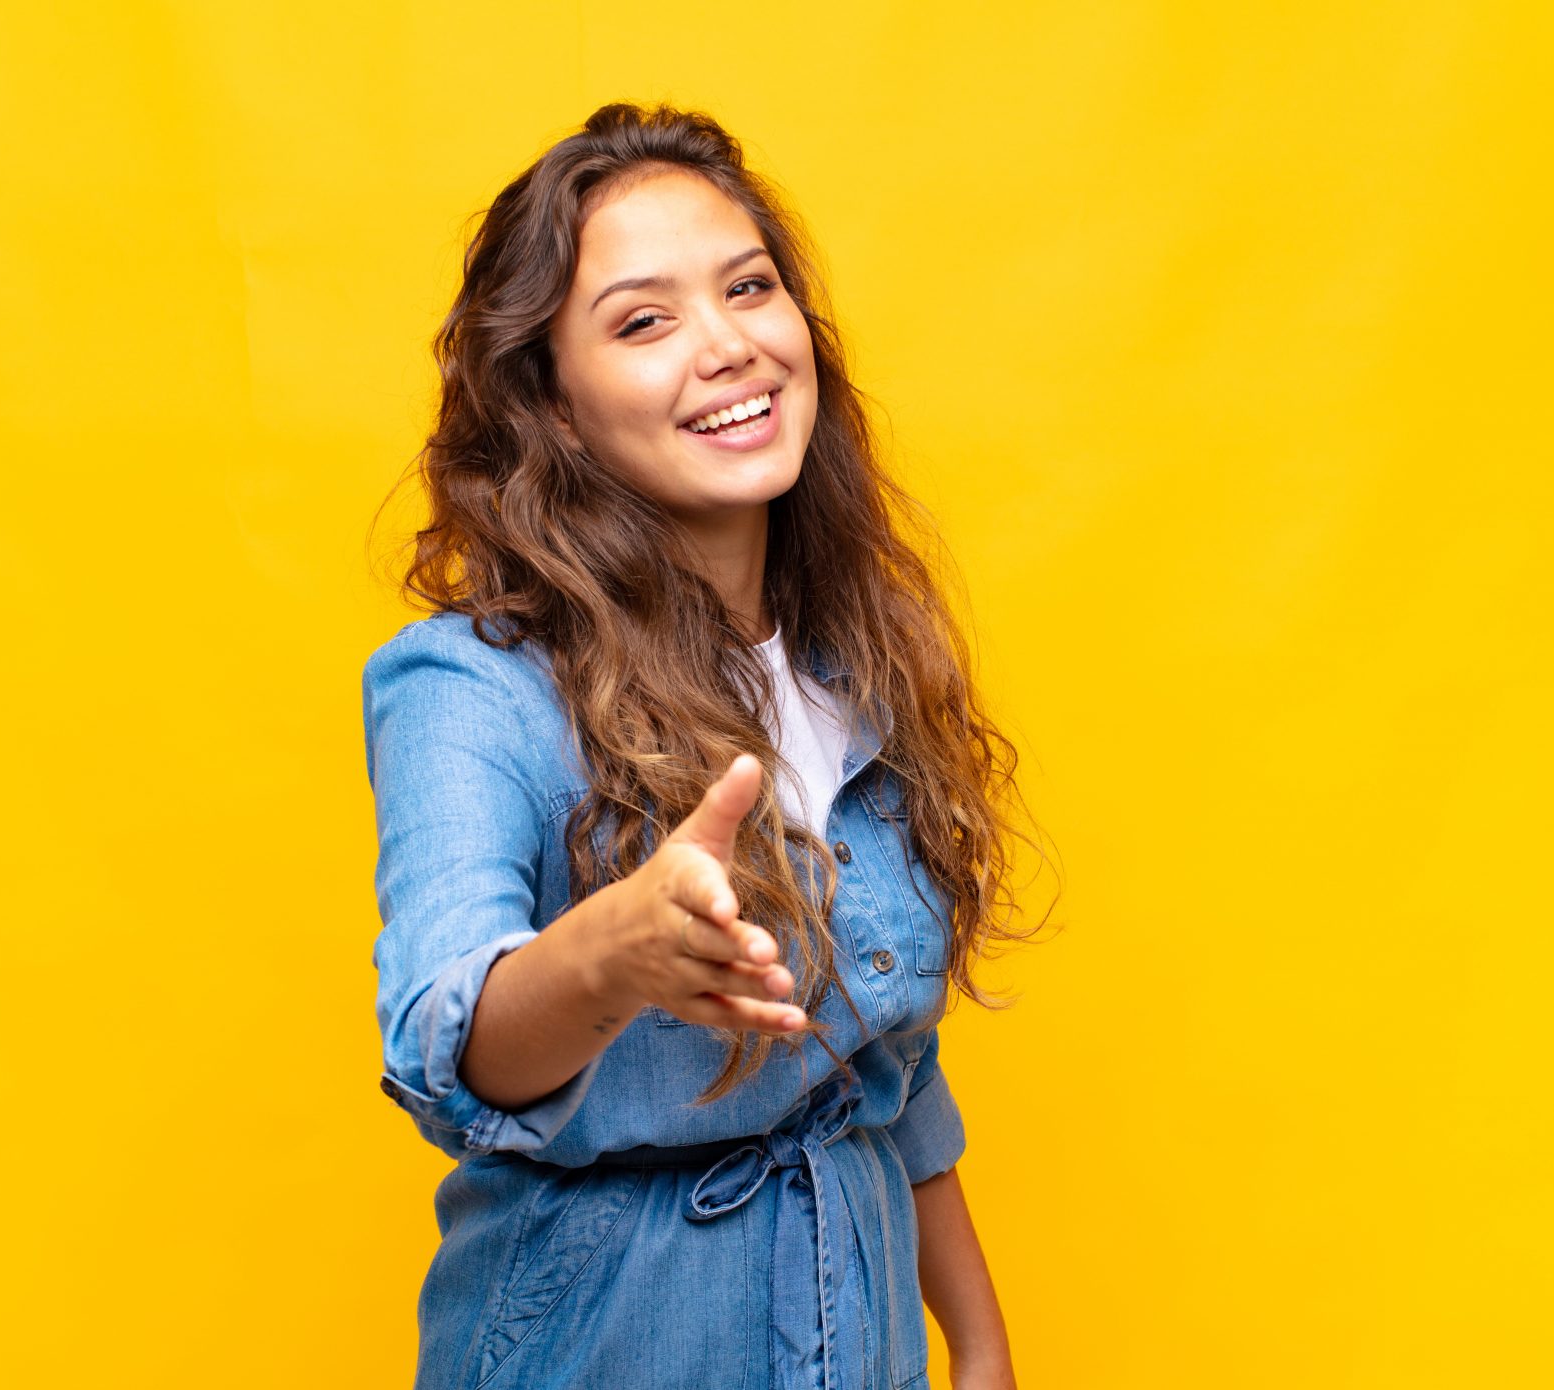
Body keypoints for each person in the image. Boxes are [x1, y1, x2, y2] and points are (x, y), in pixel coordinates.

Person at [361, 101, 1051, 1390]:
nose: (728, 345)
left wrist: (982, 1342)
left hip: (862, 1336)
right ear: (552, 406)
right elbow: (444, 1043)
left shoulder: (860, 671)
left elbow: (887, 1069)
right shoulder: (471, 686)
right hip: (599, 1337)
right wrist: (608, 955)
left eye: (749, 287)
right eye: (643, 320)